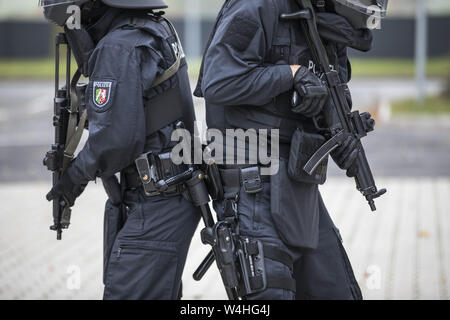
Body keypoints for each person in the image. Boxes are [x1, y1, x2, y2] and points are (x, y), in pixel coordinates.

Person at [195, 0, 387, 299]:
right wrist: (291, 74)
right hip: (251, 186)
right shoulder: (257, 6)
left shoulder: (324, 21)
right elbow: (219, 81)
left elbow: (328, 90)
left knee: (336, 290)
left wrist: (339, 134)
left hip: (297, 186)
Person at [41, 0, 200, 300]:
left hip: (155, 204)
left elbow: (115, 142)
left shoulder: (119, 47)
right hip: (169, 197)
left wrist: (71, 181)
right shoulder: (154, 29)